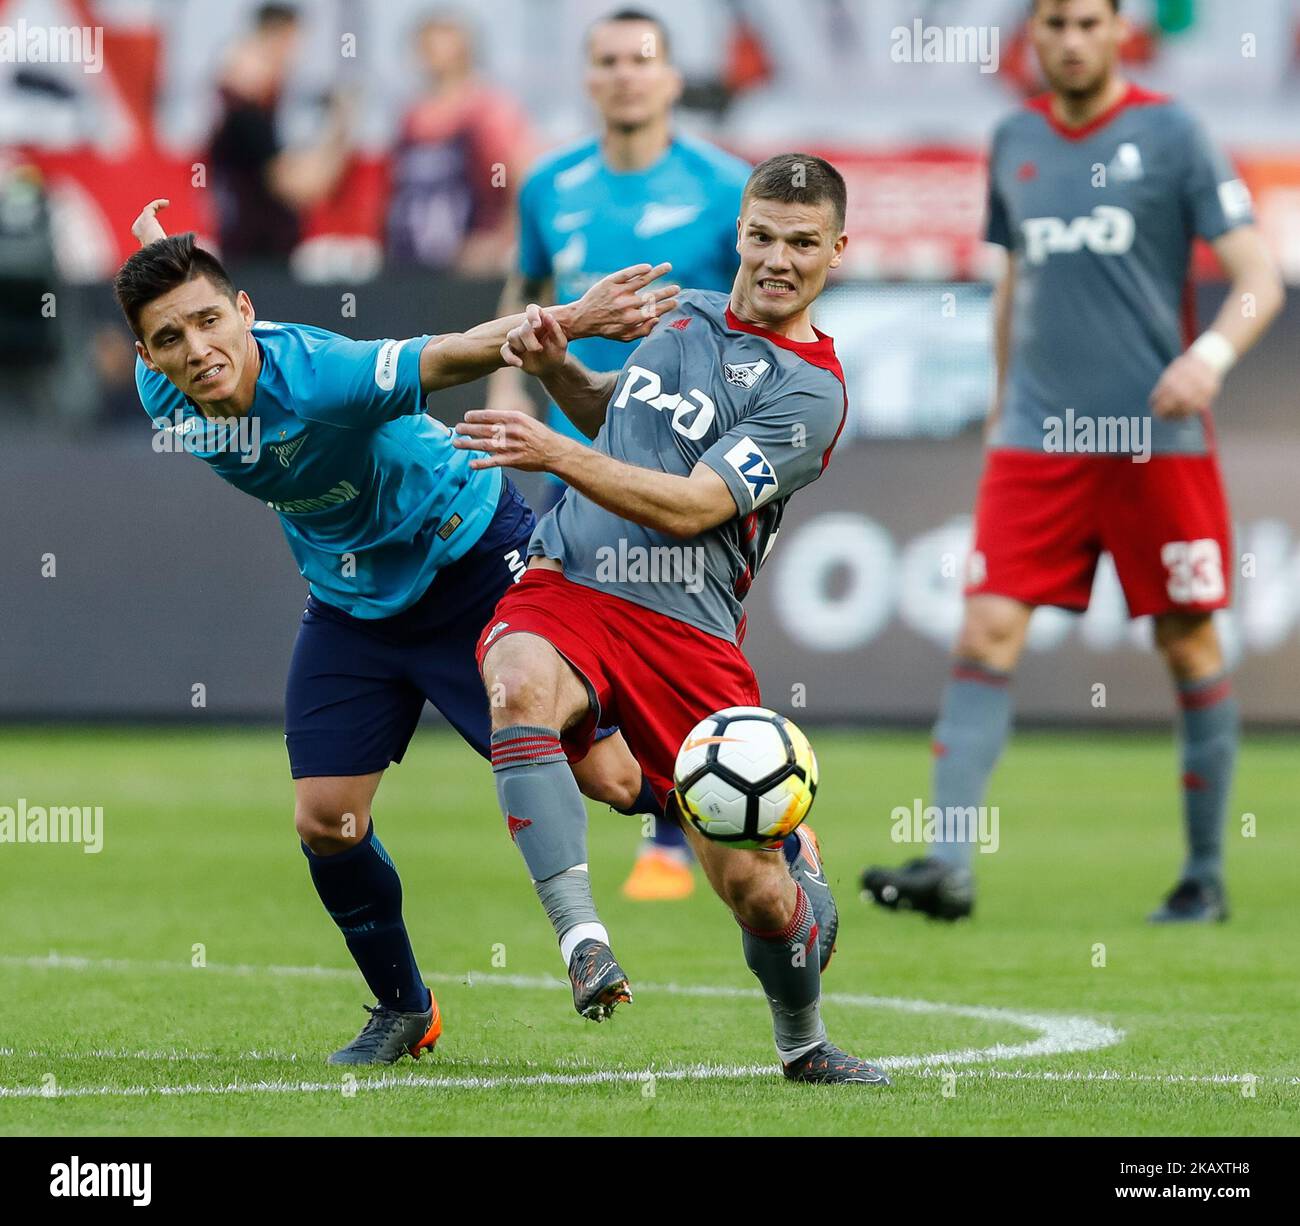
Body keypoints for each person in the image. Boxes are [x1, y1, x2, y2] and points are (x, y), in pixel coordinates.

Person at [113, 198, 678, 1064]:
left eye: (210, 322)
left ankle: (769, 824)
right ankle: (403, 1008)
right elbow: (175, 300)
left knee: (612, 775)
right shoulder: (171, 386)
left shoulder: (323, 377)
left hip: (471, 560)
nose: (197, 350)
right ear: (147, 356)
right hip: (353, 604)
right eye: (170, 339)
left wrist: (574, 317)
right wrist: (163, 248)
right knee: (325, 819)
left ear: (246, 313)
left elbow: (449, 353)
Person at [454, 153, 888, 1085]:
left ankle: (803, 1040)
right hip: (571, 582)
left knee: (759, 898)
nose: (777, 259)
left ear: (838, 251)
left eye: (802, 244)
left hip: (687, 639)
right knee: (517, 681)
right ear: (739, 229)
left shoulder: (812, 391)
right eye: (762, 235)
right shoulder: (683, 310)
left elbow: (694, 505)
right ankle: (583, 942)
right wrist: (559, 367)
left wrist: (554, 456)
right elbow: (617, 415)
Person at [860, 0, 1284, 923]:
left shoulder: (1173, 133)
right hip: (1036, 443)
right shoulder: (1013, 136)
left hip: (1153, 442)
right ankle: (948, 862)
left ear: (1120, 29)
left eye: (1089, 20)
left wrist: (1206, 359)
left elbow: (1259, 274)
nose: (1071, 39)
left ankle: (1205, 875)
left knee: (1187, 642)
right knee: (983, 634)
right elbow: (1016, 282)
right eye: (1054, 21)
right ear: (1033, 34)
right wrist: (1002, 404)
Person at [487, 6, 752, 901]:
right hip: (576, 436)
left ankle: (701, 813)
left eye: (642, 60)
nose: (625, 75)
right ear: (588, 78)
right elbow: (525, 289)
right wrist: (503, 384)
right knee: (584, 614)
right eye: (607, 61)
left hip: (688, 450)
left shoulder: (726, 188)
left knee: (684, 626)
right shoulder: (550, 185)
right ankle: (659, 807)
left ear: (673, 78)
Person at [386, 9, 533, 275]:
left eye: (439, 42)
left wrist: (501, 240)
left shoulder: (488, 109)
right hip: (413, 261)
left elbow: (521, 178)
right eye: (424, 44)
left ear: (465, 48)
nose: (429, 52)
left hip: (470, 265)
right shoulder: (410, 114)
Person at [208, 3, 351, 262]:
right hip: (255, 262)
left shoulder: (255, 109)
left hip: (257, 258)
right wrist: (341, 124)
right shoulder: (245, 113)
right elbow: (302, 187)